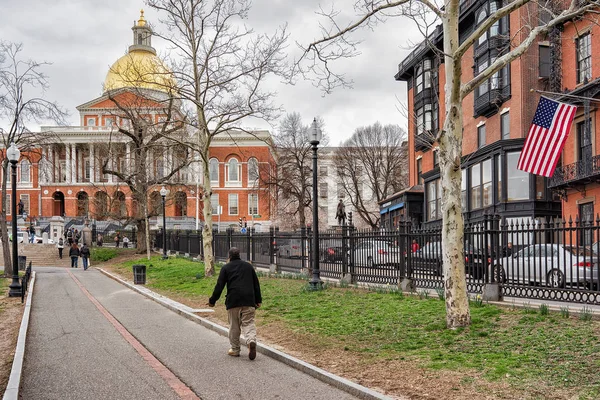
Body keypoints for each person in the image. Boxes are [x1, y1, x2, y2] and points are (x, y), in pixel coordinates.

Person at [208, 247, 262, 360]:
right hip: (249, 300)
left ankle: (235, 349)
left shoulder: (226, 268)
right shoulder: (248, 266)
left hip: (233, 301)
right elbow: (256, 284)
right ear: (239, 255)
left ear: (229, 257)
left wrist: (212, 301)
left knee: (234, 326)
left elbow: (220, 286)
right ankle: (251, 340)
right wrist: (258, 300)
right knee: (249, 323)